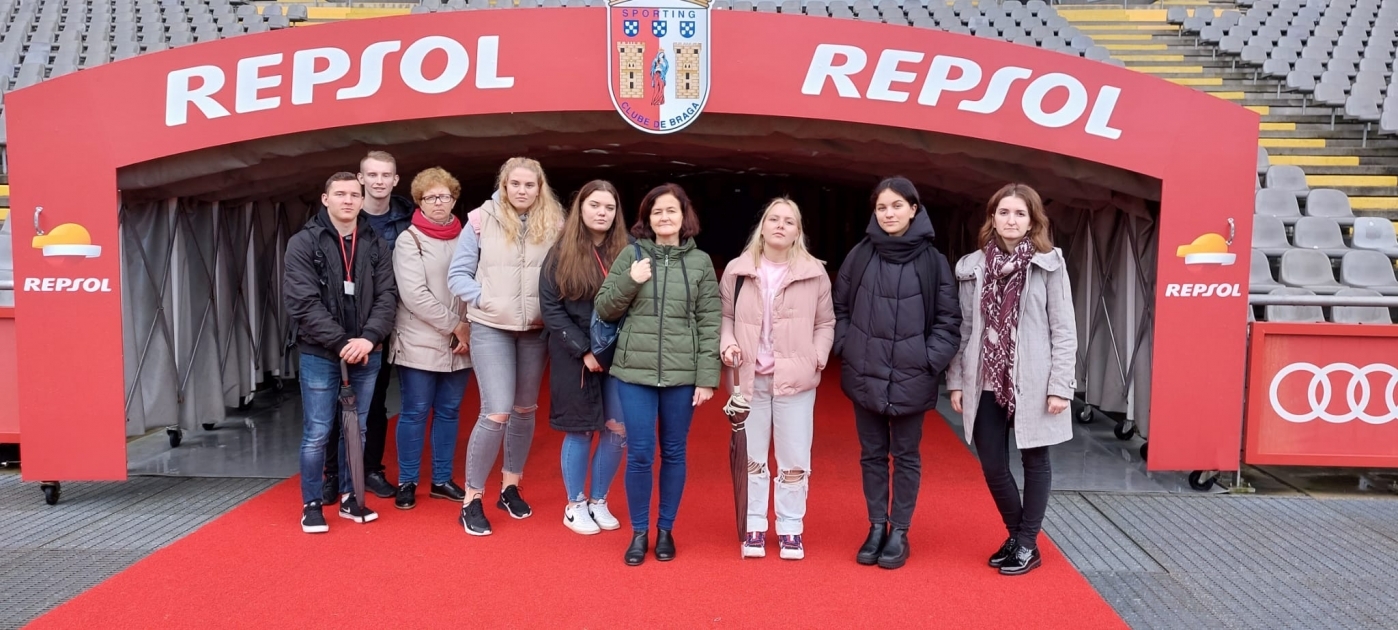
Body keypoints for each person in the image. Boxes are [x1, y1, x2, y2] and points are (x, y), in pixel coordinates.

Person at [947, 183, 1076, 577]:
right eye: (1004, 212)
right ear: (992, 217)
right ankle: (1020, 537)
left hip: (1034, 378)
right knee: (992, 464)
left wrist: (1060, 385)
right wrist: (955, 380)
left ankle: (1024, 542)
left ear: (1033, 221)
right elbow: (965, 329)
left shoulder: (1049, 263)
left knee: (1035, 459)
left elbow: (1063, 329)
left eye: (1020, 214)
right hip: (984, 378)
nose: (1011, 220)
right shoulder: (972, 267)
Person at [833, 176, 961, 570]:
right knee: (871, 455)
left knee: (905, 456)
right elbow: (839, 309)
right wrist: (848, 347)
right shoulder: (860, 254)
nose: (889, 214)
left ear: (914, 209)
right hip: (866, 372)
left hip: (911, 374)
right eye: (881, 208)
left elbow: (948, 321)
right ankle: (875, 526)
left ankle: (899, 531)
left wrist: (927, 361)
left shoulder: (932, 261)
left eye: (896, 206)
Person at [595, 183, 721, 566]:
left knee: (675, 451)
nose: (664, 218)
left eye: (671, 211)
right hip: (635, 373)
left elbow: (709, 321)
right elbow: (605, 308)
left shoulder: (700, 263)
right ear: (647, 219)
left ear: (685, 218)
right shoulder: (630, 255)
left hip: (682, 376)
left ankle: (666, 529)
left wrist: (706, 377)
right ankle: (639, 532)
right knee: (640, 453)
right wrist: (631, 279)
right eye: (657, 212)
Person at [447, 157, 564, 536]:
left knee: (524, 409)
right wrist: (484, 300)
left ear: (539, 187)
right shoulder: (480, 220)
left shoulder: (556, 223)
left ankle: (510, 486)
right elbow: (458, 274)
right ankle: (472, 499)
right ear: (504, 184)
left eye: (530, 185)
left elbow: (566, 271)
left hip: (535, 329)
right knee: (496, 411)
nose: (522, 190)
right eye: (515, 184)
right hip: (492, 327)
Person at [719, 197, 834, 561]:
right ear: (762, 226)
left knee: (794, 456)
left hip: (796, 379)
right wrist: (727, 340)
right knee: (752, 457)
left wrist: (817, 357)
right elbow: (724, 316)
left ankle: (790, 527)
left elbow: (825, 322)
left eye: (789, 221)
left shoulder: (814, 272)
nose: (780, 225)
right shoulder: (737, 270)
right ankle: (754, 523)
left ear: (798, 231)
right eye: (773, 219)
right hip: (749, 379)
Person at [284, 172, 398, 533]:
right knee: (318, 430)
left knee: (359, 429)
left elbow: (388, 296)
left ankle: (352, 497)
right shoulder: (303, 243)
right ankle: (312, 503)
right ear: (325, 198)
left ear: (363, 201)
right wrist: (341, 343)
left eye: (354, 195)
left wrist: (368, 338)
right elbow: (302, 303)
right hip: (321, 352)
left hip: (367, 349)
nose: (348, 200)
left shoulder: (375, 243)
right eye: (341, 194)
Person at [539, 180, 631, 535]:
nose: (602, 213)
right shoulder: (560, 253)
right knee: (578, 431)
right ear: (581, 208)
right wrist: (584, 350)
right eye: (595, 205)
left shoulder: (629, 250)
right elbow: (551, 309)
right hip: (574, 355)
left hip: (620, 355)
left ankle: (598, 500)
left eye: (609, 207)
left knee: (617, 430)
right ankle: (574, 504)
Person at [324, 151, 415, 502]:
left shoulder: (408, 219)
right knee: (335, 402)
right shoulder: (341, 215)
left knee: (375, 402)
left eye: (386, 174)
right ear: (360, 180)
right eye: (372, 175)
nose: (379, 181)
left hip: (385, 323)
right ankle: (333, 474)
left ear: (395, 180)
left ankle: (371, 469)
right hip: (340, 326)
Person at [389, 167, 473, 510]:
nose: (439, 203)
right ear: (419, 201)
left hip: (462, 339)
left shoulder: (468, 236)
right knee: (415, 411)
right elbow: (414, 294)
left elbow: (476, 282)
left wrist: (468, 325)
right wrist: (456, 325)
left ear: (454, 199)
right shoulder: (408, 240)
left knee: (450, 411)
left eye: (446, 196)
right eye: (431, 197)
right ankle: (407, 480)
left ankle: (441, 480)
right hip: (420, 339)